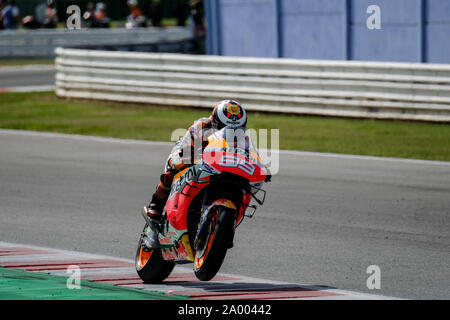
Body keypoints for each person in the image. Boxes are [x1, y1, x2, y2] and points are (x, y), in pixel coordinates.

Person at [146, 100, 250, 221]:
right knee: (174, 164)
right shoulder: (201, 127)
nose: (230, 132)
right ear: (215, 122)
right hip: (194, 155)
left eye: (237, 128)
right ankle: (157, 203)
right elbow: (185, 149)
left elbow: (251, 156)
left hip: (220, 165)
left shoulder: (244, 139)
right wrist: (191, 157)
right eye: (225, 127)